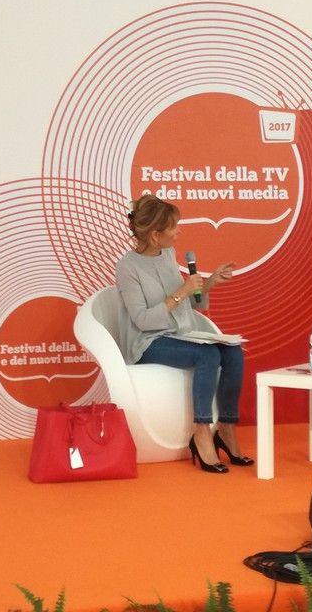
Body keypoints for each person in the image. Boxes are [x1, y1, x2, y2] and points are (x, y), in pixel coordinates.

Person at [115, 193, 249, 474]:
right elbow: (143, 320)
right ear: (155, 235)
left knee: (233, 352)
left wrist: (209, 283)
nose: (179, 231)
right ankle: (201, 432)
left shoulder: (166, 255)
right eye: (173, 227)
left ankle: (226, 428)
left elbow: (189, 303)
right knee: (207, 355)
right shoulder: (127, 267)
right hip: (148, 342)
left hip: (181, 334)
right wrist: (181, 291)